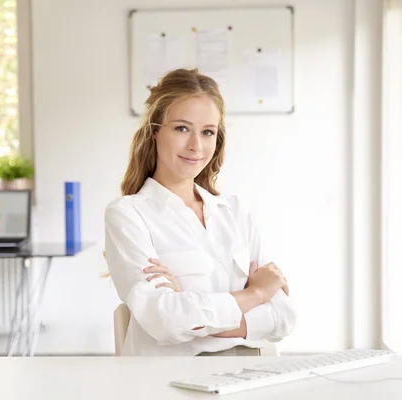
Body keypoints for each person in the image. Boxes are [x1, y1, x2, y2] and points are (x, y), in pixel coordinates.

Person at [104, 68, 298, 356]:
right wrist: (255, 294)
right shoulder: (128, 214)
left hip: (249, 373)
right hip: (168, 381)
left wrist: (193, 316)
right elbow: (165, 321)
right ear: (155, 131)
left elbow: (284, 317)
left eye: (208, 132)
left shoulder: (236, 212)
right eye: (182, 128)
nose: (196, 146)